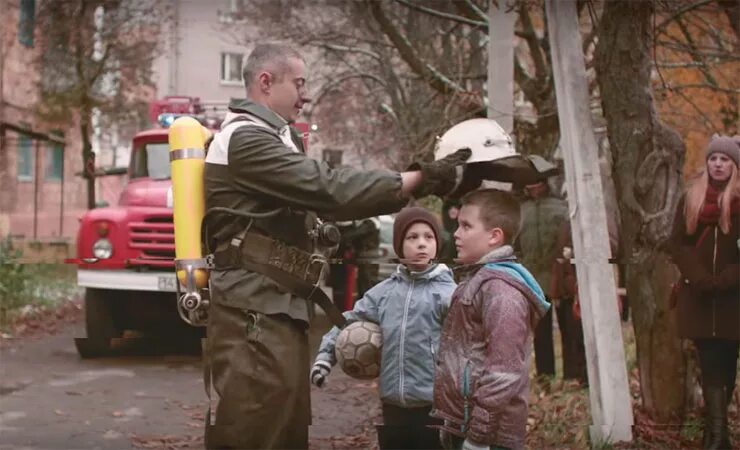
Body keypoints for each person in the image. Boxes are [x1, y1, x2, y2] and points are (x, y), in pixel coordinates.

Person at [201, 43, 482, 449]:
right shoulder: (246, 140)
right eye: (298, 83)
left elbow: (319, 207)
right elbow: (328, 187)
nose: (305, 93)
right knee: (254, 427)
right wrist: (418, 178)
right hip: (254, 311)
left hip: (271, 308)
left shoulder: (273, 139)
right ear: (265, 82)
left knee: (283, 425)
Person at [311, 206, 456, 450]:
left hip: (434, 406)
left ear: (437, 244)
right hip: (392, 404)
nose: (421, 244)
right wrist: (326, 355)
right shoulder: (384, 293)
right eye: (412, 237)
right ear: (399, 246)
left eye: (428, 237)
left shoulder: (449, 294)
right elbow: (348, 320)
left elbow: (467, 345)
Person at [432, 189, 550, 450]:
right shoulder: (478, 279)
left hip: (490, 438)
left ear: (494, 236)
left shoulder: (501, 291)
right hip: (465, 426)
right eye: (457, 225)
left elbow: (503, 372)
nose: (456, 234)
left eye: (466, 226)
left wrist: (477, 437)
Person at [668, 135, 739, 450]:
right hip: (698, 296)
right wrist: (697, 277)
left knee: (727, 362)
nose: (718, 164)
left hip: (733, 298)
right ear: (707, 163)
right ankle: (717, 438)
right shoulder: (690, 199)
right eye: (714, 158)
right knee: (709, 361)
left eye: (725, 160)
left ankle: (716, 434)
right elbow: (677, 243)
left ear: (734, 165)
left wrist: (726, 278)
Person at [514, 179, 568, 380]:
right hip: (532, 276)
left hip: (559, 274)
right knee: (541, 331)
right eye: (531, 183)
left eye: (537, 183)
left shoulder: (560, 206)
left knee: (568, 325)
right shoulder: (520, 210)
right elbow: (515, 244)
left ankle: (574, 374)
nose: (534, 187)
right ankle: (545, 374)